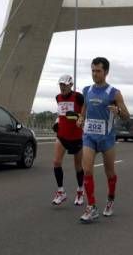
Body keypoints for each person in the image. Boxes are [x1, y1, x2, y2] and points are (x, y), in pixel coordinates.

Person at [76, 57, 130, 223]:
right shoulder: (87, 90)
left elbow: (127, 116)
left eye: (98, 71)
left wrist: (117, 111)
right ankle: (91, 207)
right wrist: (80, 119)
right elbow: (84, 110)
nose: (95, 74)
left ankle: (110, 199)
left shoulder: (114, 93)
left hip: (106, 138)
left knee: (109, 173)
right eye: (93, 70)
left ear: (106, 72)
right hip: (89, 137)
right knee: (87, 171)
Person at [51, 75, 85, 206]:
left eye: (65, 85)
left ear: (71, 85)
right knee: (56, 162)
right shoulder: (58, 98)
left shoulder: (78, 97)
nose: (62, 87)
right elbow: (61, 113)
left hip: (76, 137)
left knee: (78, 167)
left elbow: (85, 109)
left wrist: (81, 117)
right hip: (62, 135)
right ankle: (61, 192)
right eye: (60, 85)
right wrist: (57, 121)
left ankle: (80, 191)